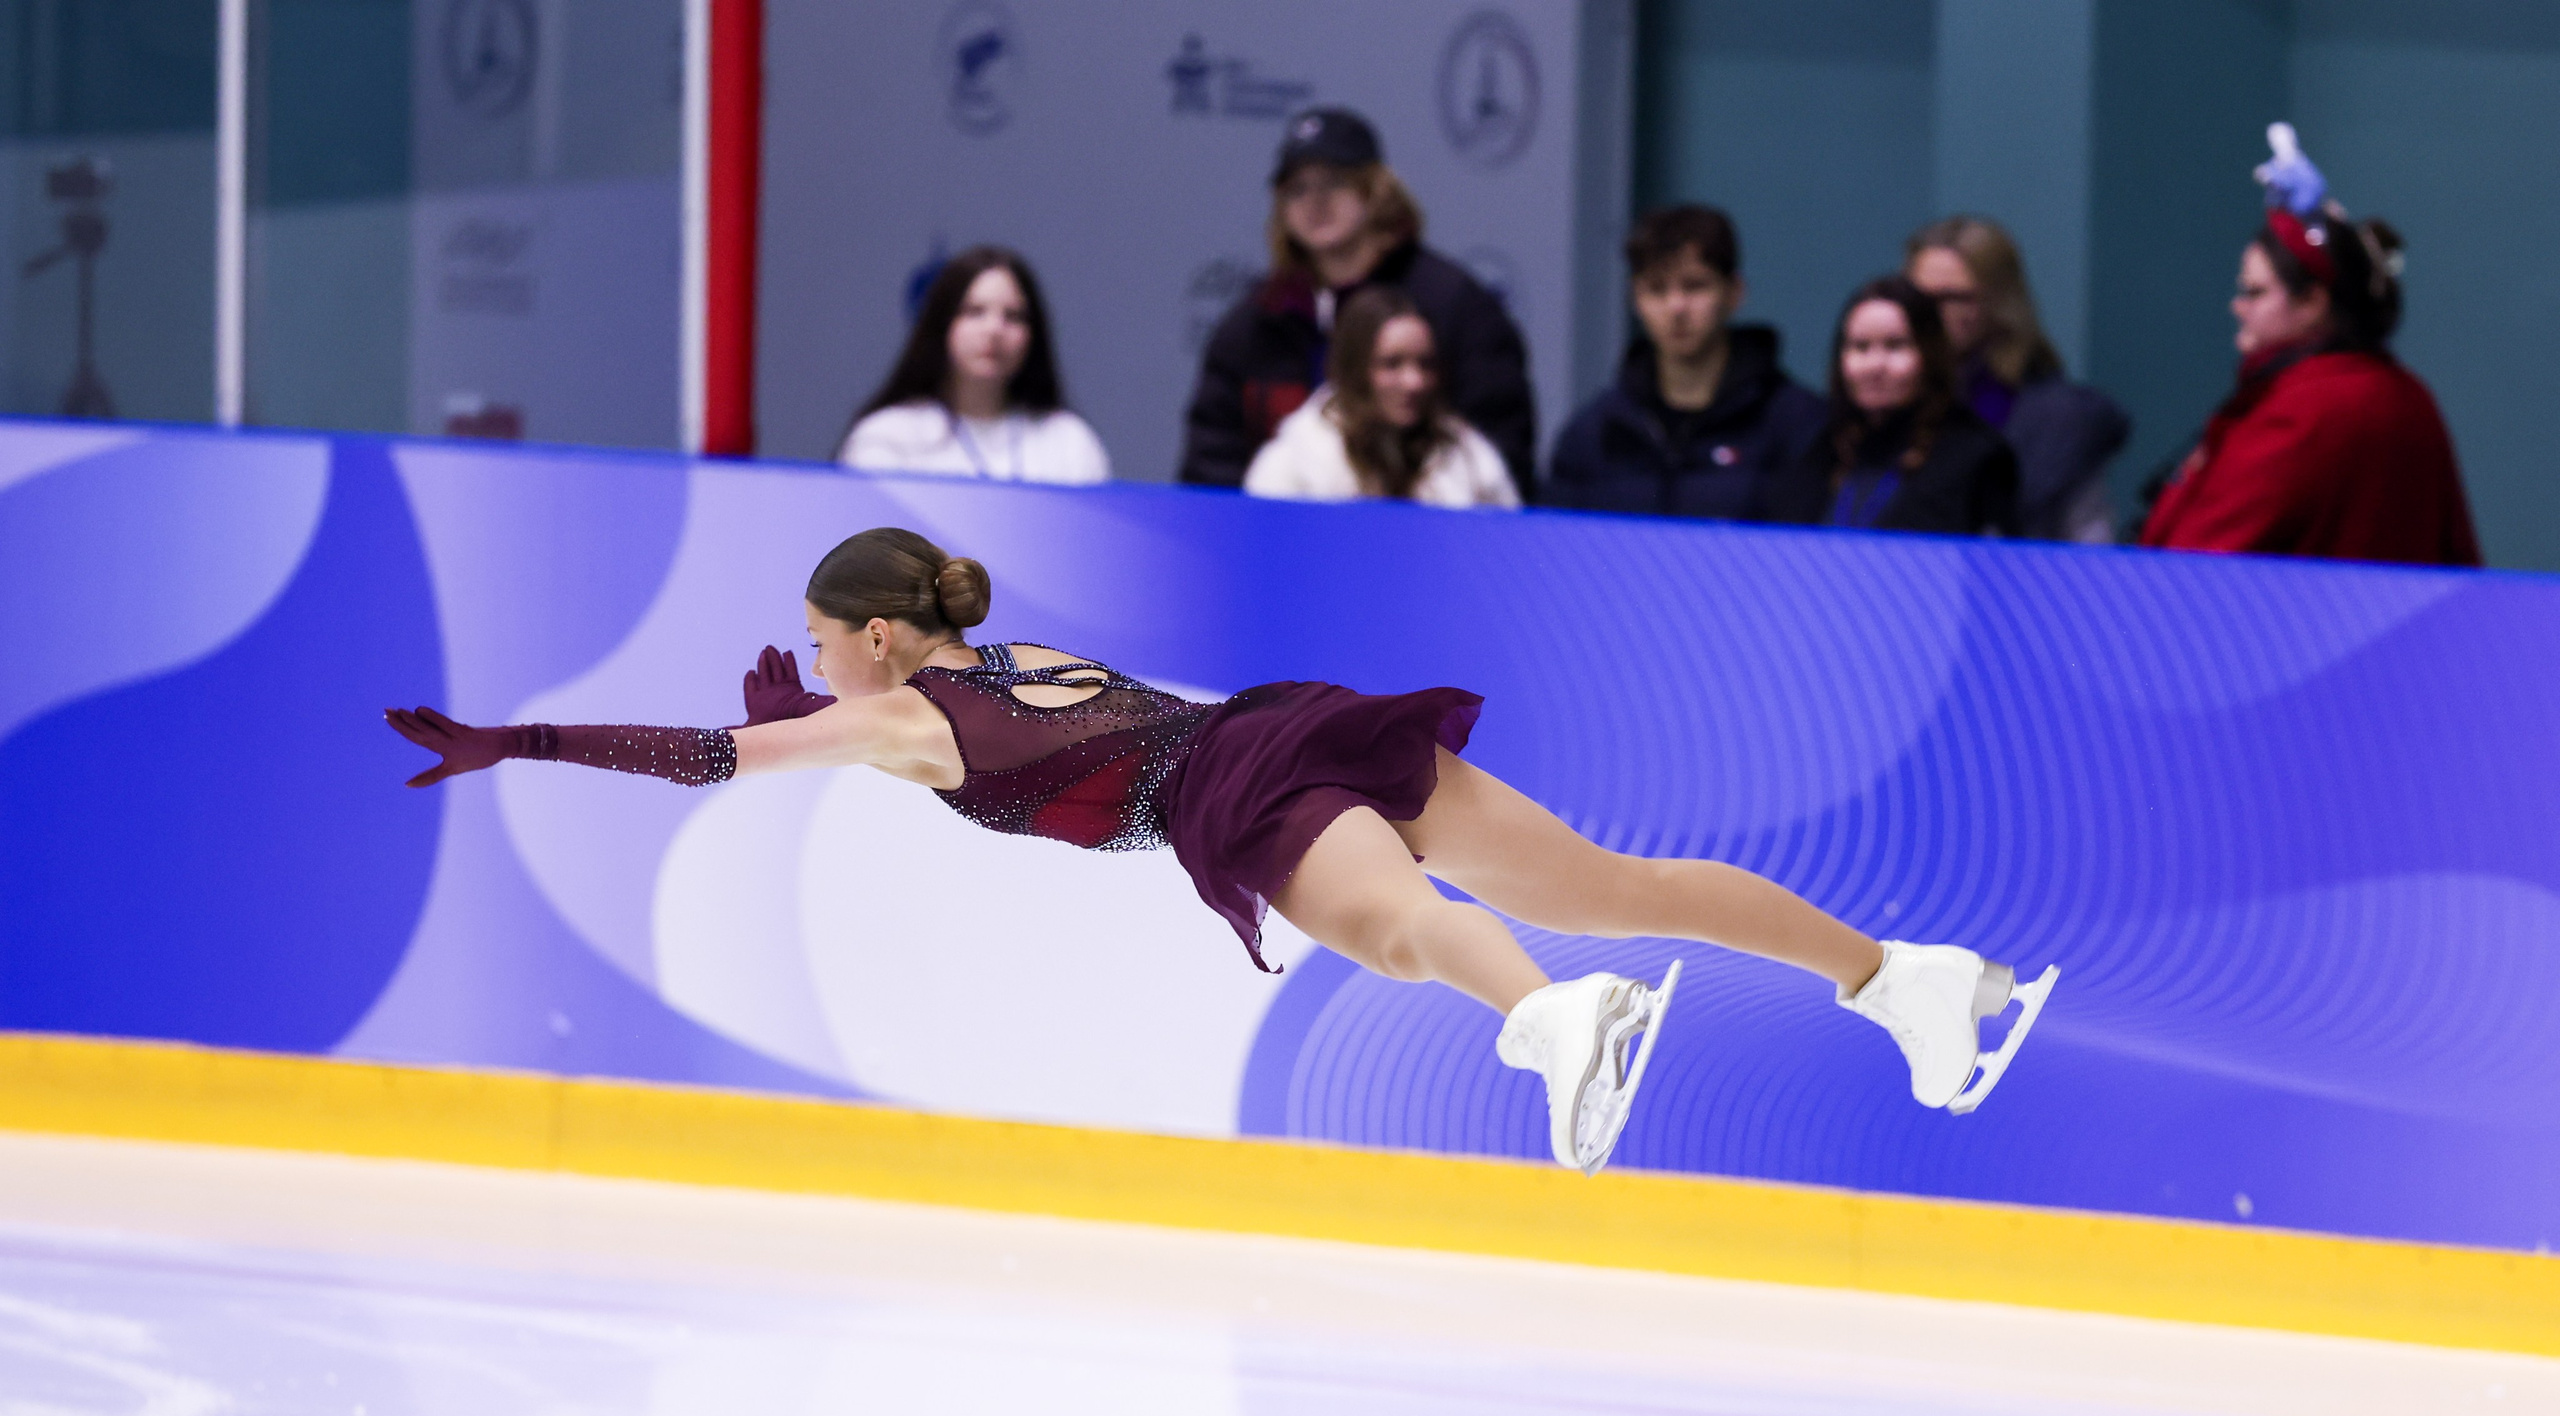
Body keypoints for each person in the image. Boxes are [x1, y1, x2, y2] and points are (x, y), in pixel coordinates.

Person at [385, 529, 2059, 1176]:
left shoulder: (892, 714)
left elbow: (705, 757)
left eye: (821, 637)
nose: (809, 661)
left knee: (1398, 934)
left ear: (881, 640)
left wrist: (516, 740)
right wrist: (813, 679)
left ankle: (1557, 1020)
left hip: (1223, 787)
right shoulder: (982, 652)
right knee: (1599, 873)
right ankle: (1901, 979)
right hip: (1283, 718)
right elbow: (836, 700)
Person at [2137, 125, 2479, 566]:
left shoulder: (2302, 412)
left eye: (2255, 292)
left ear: (2314, 302)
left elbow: (2193, 566)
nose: (2237, 307)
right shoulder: (2409, 396)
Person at [1180, 108, 1537, 499]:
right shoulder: (1256, 322)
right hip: (1281, 543)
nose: (1314, 202)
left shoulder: (1452, 306)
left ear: (1376, 190)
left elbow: (1499, 451)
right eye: (1297, 189)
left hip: (1430, 540)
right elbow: (1211, 467)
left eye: (1334, 183)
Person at [1544, 204, 1824, 520]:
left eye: (1695, 285)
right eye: (1657, 289)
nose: (1676, 307)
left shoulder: (1795, 424)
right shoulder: (1593, 434)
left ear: (1734, 293)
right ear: (1635, 300)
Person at [1904, 216, 2128, 542]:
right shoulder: (1884, 402)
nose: (1933, 313)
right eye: (1919, 297)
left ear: (1998, 301)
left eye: (1955, 298)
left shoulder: (2057, 421)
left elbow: (2089, 550)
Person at [1766, 277, 2018, 537]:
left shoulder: (1976, 457)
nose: (1875, 366)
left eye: (1896, 346)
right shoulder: (1821, 449)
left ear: (1931, 354)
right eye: (1860, 347)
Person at [837, 246, 1110, 485]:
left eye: (1013, 316)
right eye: (974, 311)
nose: (994, 329)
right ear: (941, 324)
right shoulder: (887, 436)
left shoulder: (1070, 441)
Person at [1242, 288, 1519, 508]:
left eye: (1426, 364)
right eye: (1391, 364)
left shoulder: (1474, 465)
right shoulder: (1293, 466)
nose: (1414, 382)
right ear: (1355, 369)